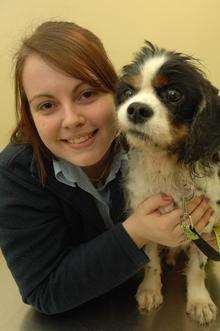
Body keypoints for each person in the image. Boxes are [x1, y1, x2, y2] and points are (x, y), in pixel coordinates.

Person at [0, 21, 217, 315]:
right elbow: (43, 290)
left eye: (87, 94)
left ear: (110, 91)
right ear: (29, 114)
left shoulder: (135, 144)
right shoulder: (14, 175)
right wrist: (138, 231)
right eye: (46, 105)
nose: (72, 119)